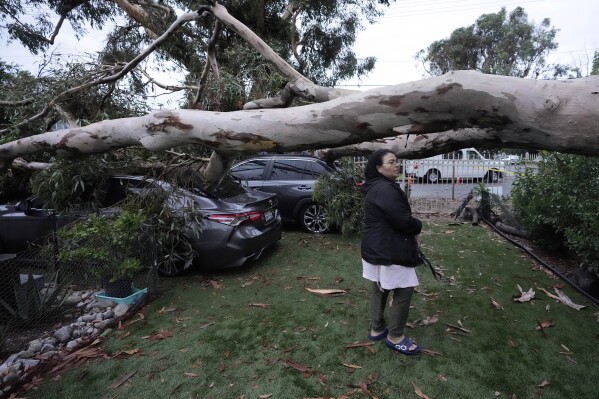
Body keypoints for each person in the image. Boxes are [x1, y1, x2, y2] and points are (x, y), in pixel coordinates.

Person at [360, 149, 423, 355]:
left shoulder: (377, 186)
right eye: (391, 162)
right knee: (404, 288)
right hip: (389, 250)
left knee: (380, 287)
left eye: (397, 161)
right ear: (379, 168)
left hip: (378, 247)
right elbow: (403, 220)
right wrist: (417, 227)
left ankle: (377, 328)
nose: (397, 165)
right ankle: (395, 336)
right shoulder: (385, 190)